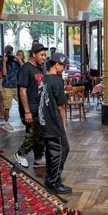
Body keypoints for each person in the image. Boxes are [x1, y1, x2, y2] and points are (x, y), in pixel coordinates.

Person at [39, 52, 72, 194]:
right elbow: (61, 106)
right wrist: (64, 124)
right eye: (63, 65)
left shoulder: (44, 78)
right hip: (54, 121)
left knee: (51, 151)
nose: (63, 68)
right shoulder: (57, 80)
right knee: (62, 150)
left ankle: (49, 178)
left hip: (44, 120)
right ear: (56, 65)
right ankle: (54, 182)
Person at [14, 43, 48, 169]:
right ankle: (20, 154)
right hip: (30, 108)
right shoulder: (26, 69)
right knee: (33, 133)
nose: (44, 57)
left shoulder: (41, 68)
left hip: (40, 108)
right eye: (42, 55)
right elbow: (22, 91)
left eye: (45, 55)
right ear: (33, 55)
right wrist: (27, 111)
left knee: (40, 134)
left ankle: (38, 159)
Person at [1, 45, 21, 131]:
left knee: (22, 102)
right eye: (7, 51)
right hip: (7, 87)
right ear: (5, 52)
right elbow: (4, 74)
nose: (9, 53)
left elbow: (24, 67)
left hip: (16, 86)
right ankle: (6, 122)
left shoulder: (16, 61)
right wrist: (5, 62)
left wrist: (17, 57)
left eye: (10, 51)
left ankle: (24, 118)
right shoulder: (3, 61)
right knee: (7, 106)